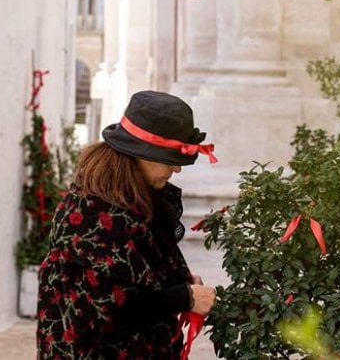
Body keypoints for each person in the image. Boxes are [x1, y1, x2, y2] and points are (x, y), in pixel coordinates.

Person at [36, 90, 219, 359]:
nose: (176, 170)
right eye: (170, 161)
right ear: (138, 154)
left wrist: (178, 283)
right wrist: (184, 297)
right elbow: (108, 305)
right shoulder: (92, 214)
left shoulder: (135, 201)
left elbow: (136, 275)